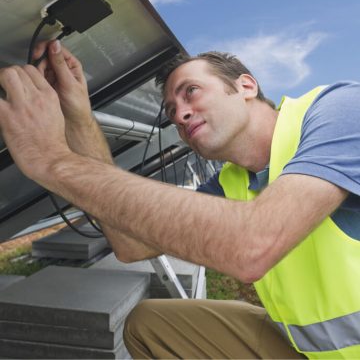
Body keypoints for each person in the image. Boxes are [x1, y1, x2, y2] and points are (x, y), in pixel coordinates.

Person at [0, 40, 359, 359]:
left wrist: (53, 161)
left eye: (191, 91)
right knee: (149, 323)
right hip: (309, 351)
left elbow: (254, 244)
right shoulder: (233, 181)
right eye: (171, 111)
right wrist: (77, 116)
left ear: (245, 85)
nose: (181, 115)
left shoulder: (339, 111)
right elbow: (129, 243)